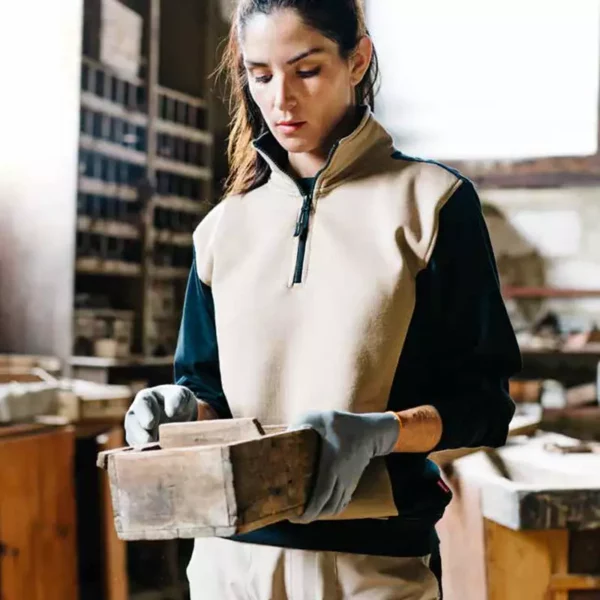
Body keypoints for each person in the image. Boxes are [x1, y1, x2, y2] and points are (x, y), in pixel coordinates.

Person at [124, 0, 522, 598]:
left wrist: (380, 432)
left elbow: (484, 406)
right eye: (260, 76)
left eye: (305, 70)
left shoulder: (433, 205)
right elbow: (207, 388)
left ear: (357, 60)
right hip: (225, 565)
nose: (281, 99)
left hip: (371, 567)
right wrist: (178, 406)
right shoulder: (222, 228)